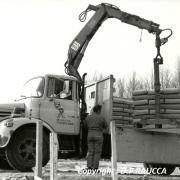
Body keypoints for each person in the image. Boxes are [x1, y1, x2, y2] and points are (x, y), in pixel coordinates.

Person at [84, 104, 108, 170]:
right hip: (98, 135)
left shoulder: (88, 117)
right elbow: (106, 126)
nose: (100, 112)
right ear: (98, 111)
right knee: (97, 152)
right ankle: (95, 167)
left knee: (90, 151)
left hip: (90, 135)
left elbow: (85, 125)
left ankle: (89, 166)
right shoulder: (101, 117)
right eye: (100, 110)